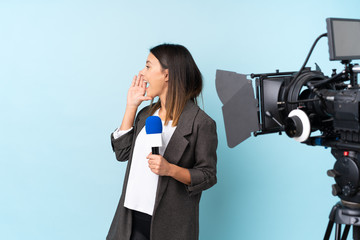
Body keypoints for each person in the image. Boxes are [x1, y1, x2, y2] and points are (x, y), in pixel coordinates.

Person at [107, 43, 218, 240]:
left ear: (167, 75)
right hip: (129, 220)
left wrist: (170, 169)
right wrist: (131, 106)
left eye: (148, 66)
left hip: (170, 226)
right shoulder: (146, 115)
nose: (142, 73)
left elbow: (208, 175)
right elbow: (122, 153)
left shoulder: (201, 123)